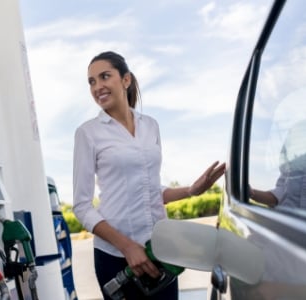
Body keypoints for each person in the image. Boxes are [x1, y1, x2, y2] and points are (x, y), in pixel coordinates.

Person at [72, 51, 226, 299]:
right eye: (91, 81)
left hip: (159, 251)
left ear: (126, 80)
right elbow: (81, 206)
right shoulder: (88, 133)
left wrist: (190, 191)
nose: (97, 86)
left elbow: (151, 190)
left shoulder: (151, 126)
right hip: (115, 257)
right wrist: (127, 246)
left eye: (104, 76)